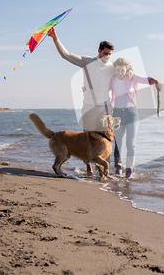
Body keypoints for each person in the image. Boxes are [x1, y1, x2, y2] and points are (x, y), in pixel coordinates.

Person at [47, 28, 132, 176]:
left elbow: (124, 69)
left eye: (110, 54)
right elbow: (66, 55)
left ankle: (105, 172)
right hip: (89, 105)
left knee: (107, 138)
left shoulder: (112, 67)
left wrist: (130, 70)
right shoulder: (87, 61)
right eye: (105, 53)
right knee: (88, 137)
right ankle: (89, 168)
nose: (107, 57)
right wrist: (55, 38)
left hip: (105, 105)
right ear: (99, 51)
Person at [109, 58, 162, 178]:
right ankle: (118, 168)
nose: (120, 73)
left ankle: (129, 170)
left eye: (122, 70)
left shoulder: (132, 77)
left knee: (131, 143)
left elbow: (146, 80)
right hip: (116, 114)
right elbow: (103, 90)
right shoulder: (112, 80)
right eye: (117, 70)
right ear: (115, 69)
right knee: (118, 142)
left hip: (131, 113)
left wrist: (156, 81)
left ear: (126, 69)